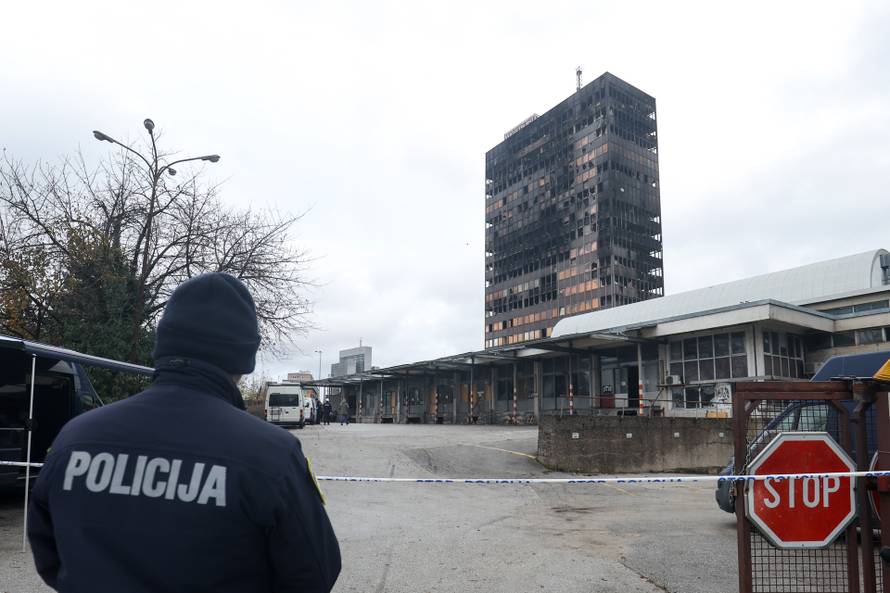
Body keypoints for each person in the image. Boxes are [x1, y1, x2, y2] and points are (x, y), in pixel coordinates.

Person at [28, 273, 341, 593]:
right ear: (243, 358)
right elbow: (315, 573)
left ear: (164, 344)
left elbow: (49, 554)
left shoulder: (74, 440)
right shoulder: (272, 455)